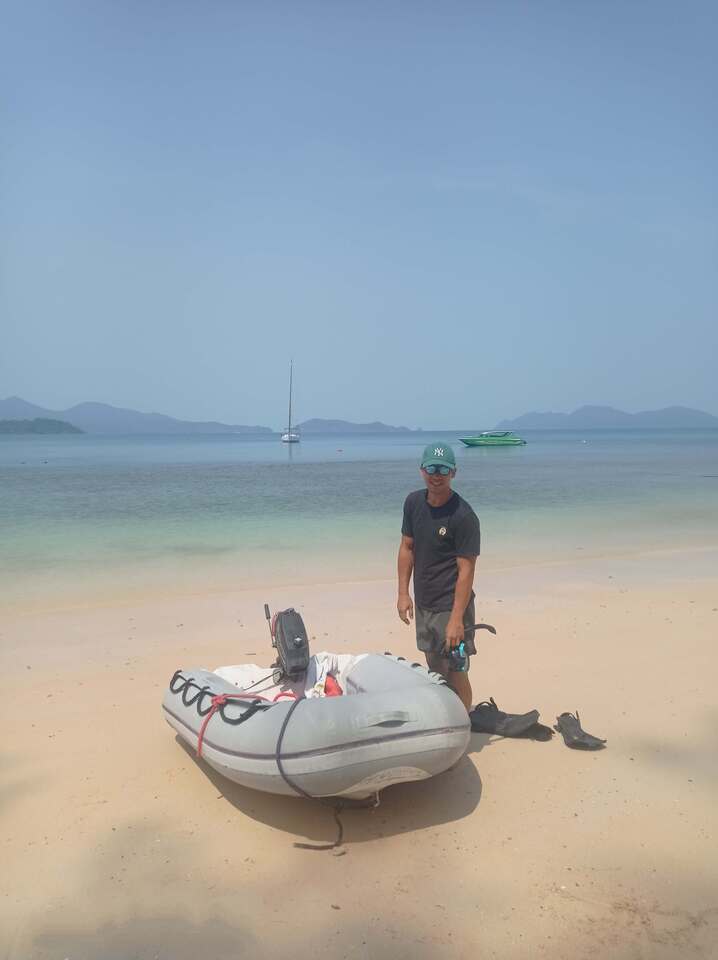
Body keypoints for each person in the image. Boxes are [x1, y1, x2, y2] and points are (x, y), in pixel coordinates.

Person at [397, 442, 480, 711]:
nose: (436, 474)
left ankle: (463, 723)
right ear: (422, 470)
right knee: (435, 667)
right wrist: (402, 593)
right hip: (424, 604)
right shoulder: (413, 503)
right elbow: (407, 548)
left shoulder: (463, 516)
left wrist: (457, 620)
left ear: (453, 472)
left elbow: (467, 571)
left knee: (457, 670)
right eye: (431, 467)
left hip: (451, 607)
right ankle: (447, 720)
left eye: (443, 469)